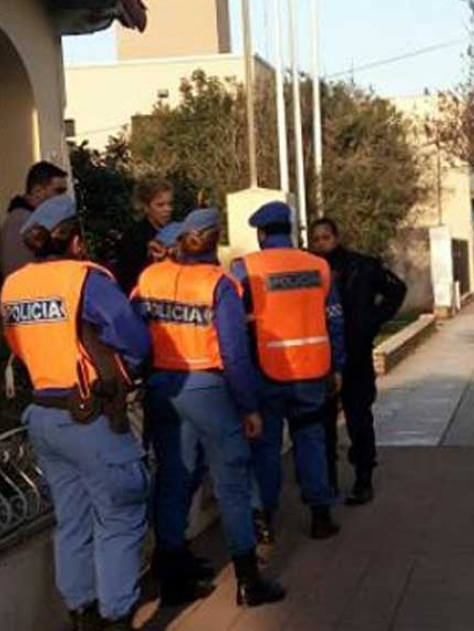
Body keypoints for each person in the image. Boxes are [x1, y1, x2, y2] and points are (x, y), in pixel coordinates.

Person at [0, 195, 152, 631]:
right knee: (120, 516)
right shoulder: (85, 279)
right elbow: (134, 338)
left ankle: (80, 616)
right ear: (76, 240)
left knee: (72, 520)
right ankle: (117, 617)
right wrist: (125, 370)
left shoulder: (14, 286)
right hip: (89, 415)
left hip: (44, 413)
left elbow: (17, 346)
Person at [135, 210, 286, 608]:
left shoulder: (150, 279)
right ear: (215, 240)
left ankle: (171, 575)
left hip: (164, 387)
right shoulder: (218, 284)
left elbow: (135, 335)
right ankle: (248, 581)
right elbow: (234, 354)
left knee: (174, 477)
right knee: (232, 481)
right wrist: (249, 407)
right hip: (207, 388)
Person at [230, 201, 344, 544]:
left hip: (265, 373)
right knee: (311, 441)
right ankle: (320, 516)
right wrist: (337, 365)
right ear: (290, 230)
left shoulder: (245, 268)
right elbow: (335, 320)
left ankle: (265, 520)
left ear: (262, 234)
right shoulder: (319, 266)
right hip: (311, 371)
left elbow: (233, 322)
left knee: (266, 448)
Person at [308, 217, 406, 504]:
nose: (321, 243)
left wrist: (371, 321)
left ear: (336, 237)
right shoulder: (308, 270)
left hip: (356, 353)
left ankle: (364, 478)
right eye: (316, 238)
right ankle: (327, 482)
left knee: (359, 419)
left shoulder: (361, 266)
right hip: (320, 356)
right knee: (323, 424)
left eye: (326, 237)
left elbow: (396, 290)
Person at [0, 161, 69, 277]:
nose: (63, 198)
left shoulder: (19, 217)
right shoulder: (28, 222)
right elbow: (56, 268)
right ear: (37, 192)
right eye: (58, 191)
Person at [114, 179, 174, 293]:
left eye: (170, 204)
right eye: (160, 205)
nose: (168, 209)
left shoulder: (177, 231)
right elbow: (126, 277)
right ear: (146, 207)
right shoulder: (133, 238)